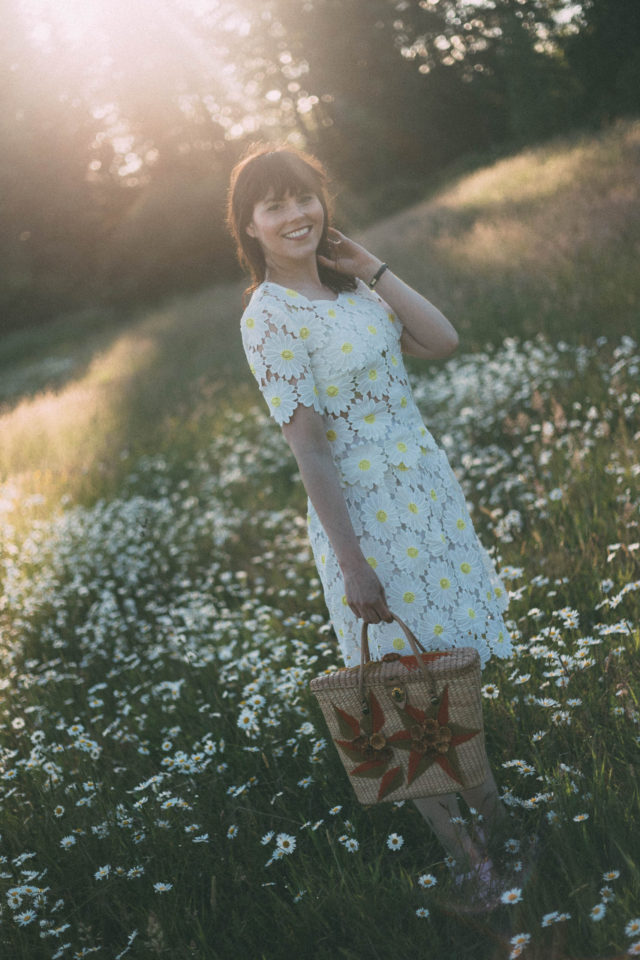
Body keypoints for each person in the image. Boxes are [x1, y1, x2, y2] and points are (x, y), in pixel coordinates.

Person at [226, 141, 514, 909]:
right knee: (399, 694)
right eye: (275, 205)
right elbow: (309, 447)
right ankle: (473, 861)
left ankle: (503, 833)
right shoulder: (269, 315)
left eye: (305, 197)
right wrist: (352, 563)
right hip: (367, 523)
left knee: (449, 669)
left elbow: (442, 340)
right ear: (250, 226)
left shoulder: (352, 294)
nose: (295, 215)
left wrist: (374, 267)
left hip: (427, 504)